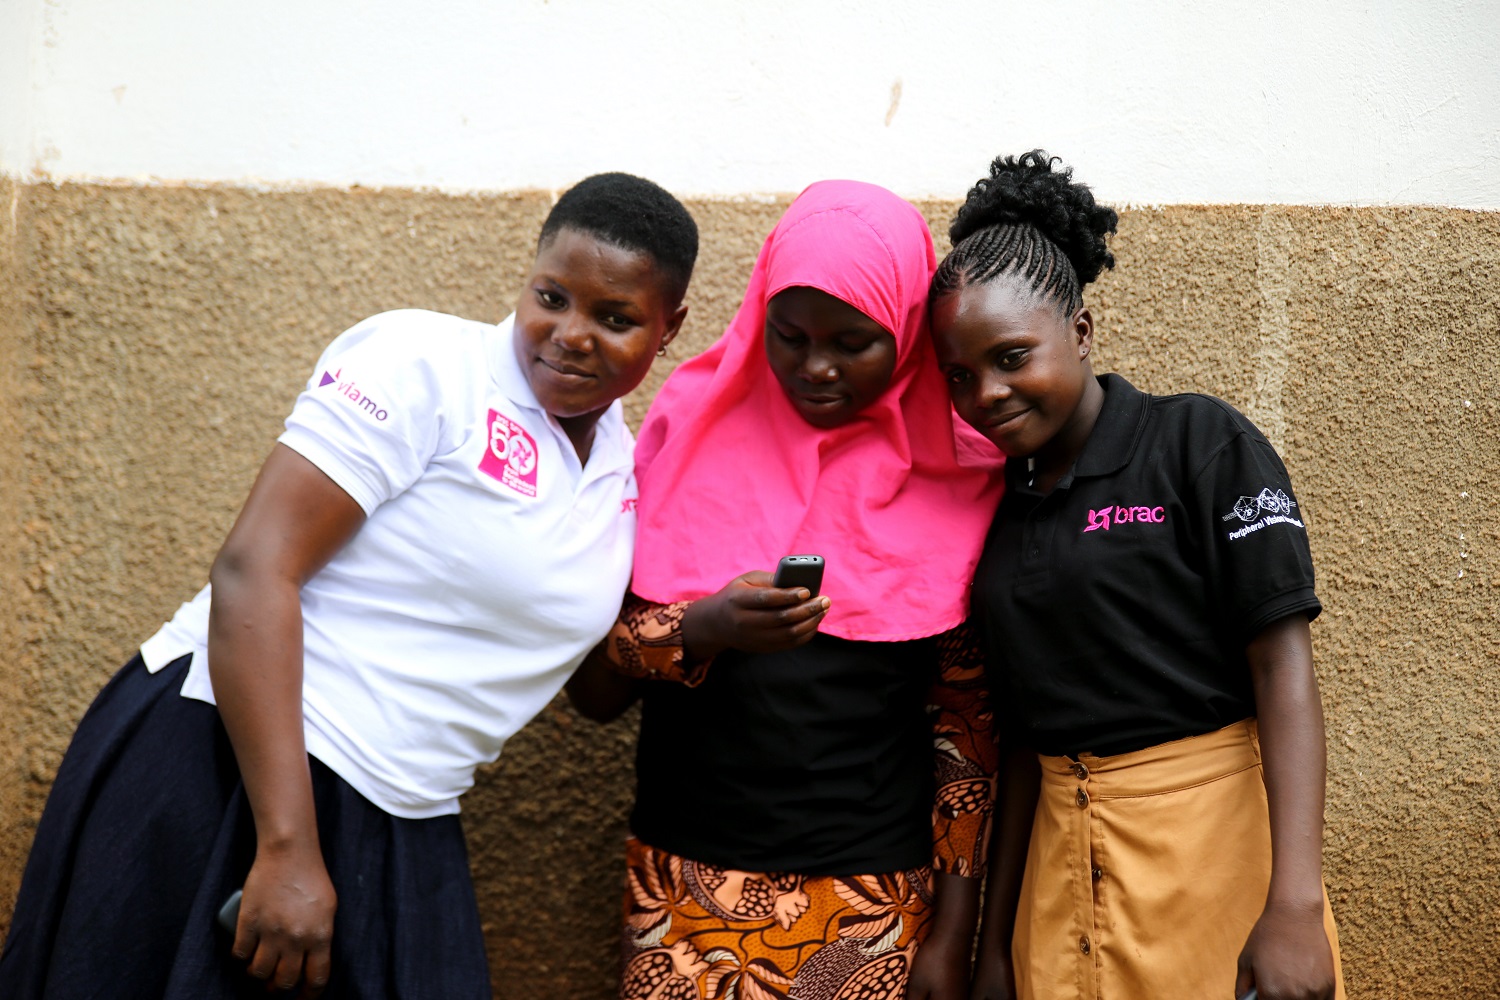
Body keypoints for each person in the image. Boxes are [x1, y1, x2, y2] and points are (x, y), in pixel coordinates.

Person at [0, 172, 698, 1000]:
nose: (570, 335)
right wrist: (287, 849)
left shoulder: (617, 461)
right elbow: (256, 567)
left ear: (670, 327)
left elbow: (584, 682)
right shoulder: (424, 367)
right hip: (240, 769)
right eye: (552, 296)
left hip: (403, 811)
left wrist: (708, 630)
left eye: (615, 319)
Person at [565, 180, 1008, 1000]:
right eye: (790, 335)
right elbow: (594, 683)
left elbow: (967, 735)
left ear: (909, 333)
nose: (817, 367)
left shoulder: (963, 478)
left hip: (869, 907)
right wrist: (703, 627)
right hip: (681, 891)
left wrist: (953, 935)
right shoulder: (682, 437)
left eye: (855, 341)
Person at [928, 151, 1344, 1000]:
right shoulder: (999, 507)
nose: (987, 395)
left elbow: (1284, 670)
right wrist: (997, 948)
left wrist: (1295, 906)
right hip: (1055, 877)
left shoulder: (1198, 445)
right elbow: (1019, 743)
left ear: (1080, 332)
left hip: (1210, 859)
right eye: (961, 377)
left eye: (1013, 357)